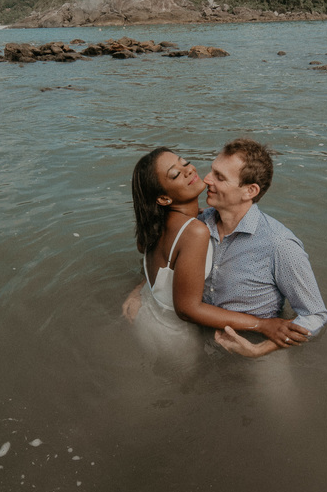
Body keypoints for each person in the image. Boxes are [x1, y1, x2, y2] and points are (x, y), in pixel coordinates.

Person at [128, 147, 310, 361]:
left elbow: (158, 266)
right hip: (174, 334)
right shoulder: (195, 231)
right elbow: (187, 310)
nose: (188, 170)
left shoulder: (156, 224)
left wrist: (138, 290)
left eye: (184, 163)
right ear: (164, 199)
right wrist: (261, 324)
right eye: (175, 174)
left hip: (146, 314)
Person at [199, 137, 327, 359]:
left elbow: (315, 315)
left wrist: (260, 350)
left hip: (255, 342)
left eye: (220, 177)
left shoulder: (279, 244)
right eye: (212, 171)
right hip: (200, 335)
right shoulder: (200, 224)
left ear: (249, 191)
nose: (207, 179)